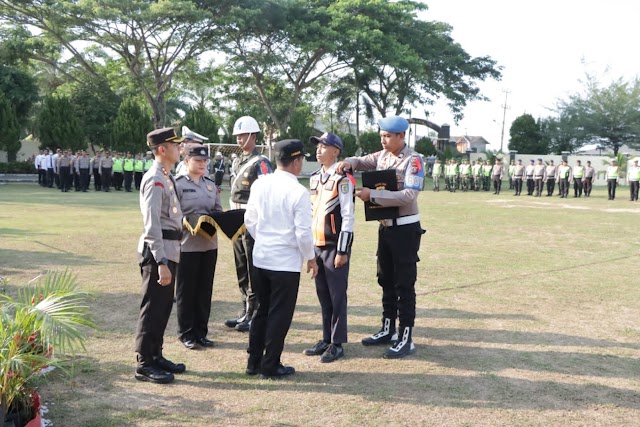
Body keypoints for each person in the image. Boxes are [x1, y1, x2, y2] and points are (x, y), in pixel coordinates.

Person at [336, 115, 425, 359]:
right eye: (381, 136)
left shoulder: (413, 160)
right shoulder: (382, 156)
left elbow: (408, 196)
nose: (383, 140)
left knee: (404, 283)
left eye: (388, 136)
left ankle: (405, 337)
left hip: (405, 229)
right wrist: (348, 162)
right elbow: (361, 161)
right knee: (385, 278)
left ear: (401, 136)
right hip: (385, 227)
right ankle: (388, 328)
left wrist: (372, 194)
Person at [245, 138, 318, 379]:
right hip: (284, 262)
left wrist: (265, 239)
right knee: (279, 314)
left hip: (261, 257)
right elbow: (303, 233)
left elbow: (250, 221)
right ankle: (270, 363)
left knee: (261, 310)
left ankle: (254, 361)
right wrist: (310, 257)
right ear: (297, 162)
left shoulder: (261, 184)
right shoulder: (298, 191)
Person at [134, 127, 186, 384]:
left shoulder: (167, 176)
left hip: (170, 249)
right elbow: (152, 224)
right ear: (162, 149)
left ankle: (156, 354)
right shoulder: (154, 178)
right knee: (153, 307)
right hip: (159, 253)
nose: (180, 149)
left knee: (164, 307)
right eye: (175, 145)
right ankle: (144, 363)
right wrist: (161, 261)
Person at [303, 132, 355, 363]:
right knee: (323, 296)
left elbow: (348, 216)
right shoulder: (315, 178)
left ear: (336, 152)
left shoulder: (342, 179)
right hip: (317, 245)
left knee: (337, 297)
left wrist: (343, 251)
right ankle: (326, 338)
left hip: (335, 246)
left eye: (324, 146)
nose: (319, 150)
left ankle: (337, 343)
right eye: (318, 146)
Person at [225, 116, 273, 332]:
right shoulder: (237, 161)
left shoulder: (261, 162)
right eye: (237, 136)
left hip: (252, 219)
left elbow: (267, 192)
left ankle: (255, 312)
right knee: (241, 266)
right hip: (235, 218)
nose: (239, 139)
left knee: (254, 268)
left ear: (253, 136)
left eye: (243, 135)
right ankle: (244, 309)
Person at [174, 144, 223, 350]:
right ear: (187, 161)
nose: (202, 164)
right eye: (198, 161)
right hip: (187, 246)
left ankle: (201, 332)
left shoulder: (210, 185)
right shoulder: (177, 184)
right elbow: (172, 214)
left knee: (205, 290)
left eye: (205, 161)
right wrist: (189, 220)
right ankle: (186, 333)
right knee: (187, 292)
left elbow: (218, 210)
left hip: (209, 245)